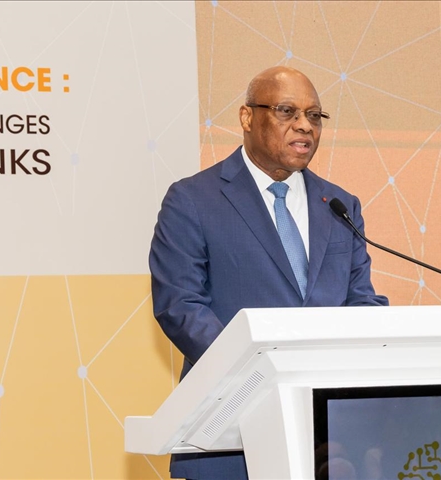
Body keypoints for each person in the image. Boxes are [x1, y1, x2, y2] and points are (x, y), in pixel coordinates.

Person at [149, 65, 388, 479]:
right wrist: (259, 377)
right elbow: (181, 307)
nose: (304, 126)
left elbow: (360, 300)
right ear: (247, 117)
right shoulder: (193, 200)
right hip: (231, 435)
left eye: (314, 116)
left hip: (329, 440)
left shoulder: (339, 206)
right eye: (286, 112)